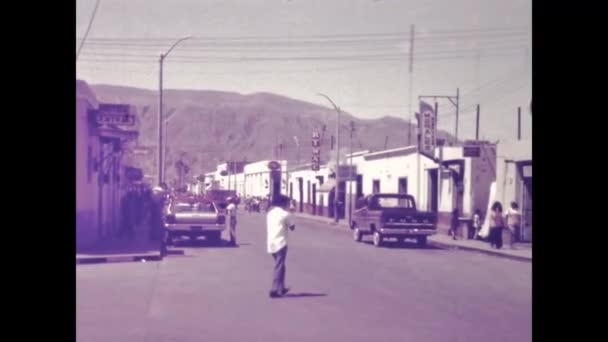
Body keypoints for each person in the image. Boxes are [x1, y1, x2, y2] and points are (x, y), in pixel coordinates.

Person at [266, 194, 295, 298]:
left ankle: (281, 288)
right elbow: (292, 227)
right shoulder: (285, 214)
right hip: (281, 243)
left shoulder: (270, 213)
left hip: (271, 243)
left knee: (281, 265)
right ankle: (274, 289)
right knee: (279, 266)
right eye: (287, 203)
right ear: (283, 203)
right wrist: (291, 214)